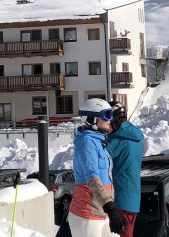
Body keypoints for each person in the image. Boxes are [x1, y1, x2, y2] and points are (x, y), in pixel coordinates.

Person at [68, 98, 126, 237]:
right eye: (106, 116)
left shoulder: (98, 142)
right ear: (93, 119)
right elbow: (92, 177)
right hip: (87, 213)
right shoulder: (86, 142)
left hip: (102, 210)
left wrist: (110, 208)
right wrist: (111, 208)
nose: (110, 120)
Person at [105, 101, 145, 237]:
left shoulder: (117, 140)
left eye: (108, 120)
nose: (107, 124)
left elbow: (99, 160)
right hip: (132, 198)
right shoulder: (135, 137)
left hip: (120, 198)